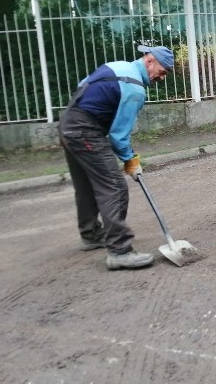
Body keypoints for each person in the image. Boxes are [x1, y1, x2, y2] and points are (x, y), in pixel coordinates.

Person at [59, 44, 174, 270]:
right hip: (86, 131)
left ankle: (91, 235)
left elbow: (83, 84)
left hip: (68, 124)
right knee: (114, 187)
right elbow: (119, 136)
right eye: (162, 72)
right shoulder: (135, 88)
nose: (161, 79)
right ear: (149, 60)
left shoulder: (117, 66)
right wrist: (131, 160)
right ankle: (119, 250)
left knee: (86, 185)